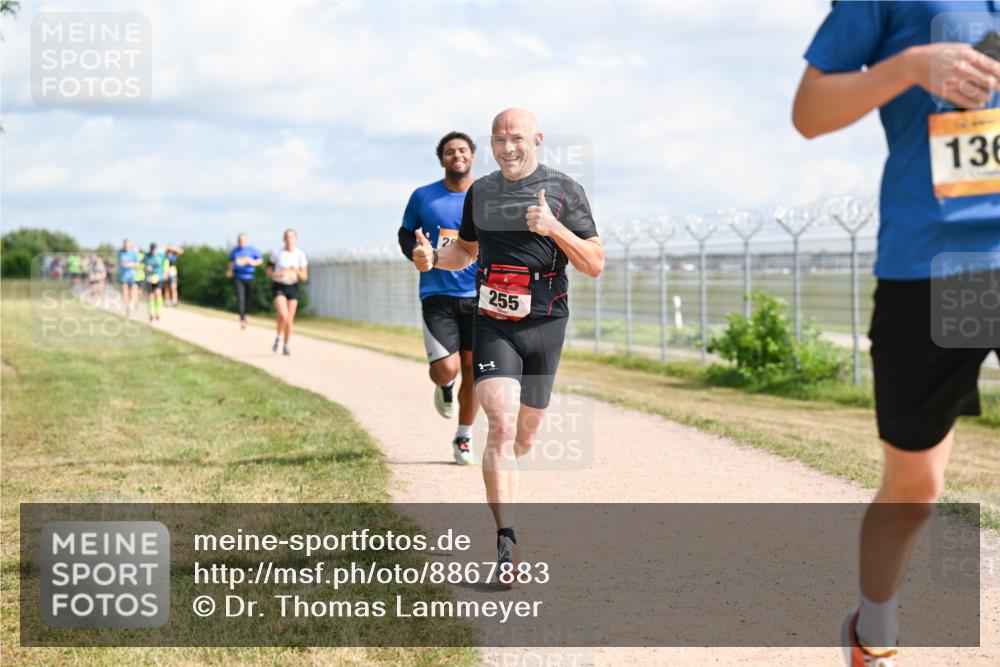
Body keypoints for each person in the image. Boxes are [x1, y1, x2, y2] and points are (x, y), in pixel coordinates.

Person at [794, 4, 1000, 665]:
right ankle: (872, 629)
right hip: (934, 265)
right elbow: (810, 112)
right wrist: (912, 66)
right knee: (915, 487)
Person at [412, 108, 604, 587]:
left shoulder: (564, 191)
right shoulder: (482, 191)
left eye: (516, 138)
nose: (507, 147)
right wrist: (434, 257)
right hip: (493, 319)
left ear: (536, 139)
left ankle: (510, 478)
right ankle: (506, 539)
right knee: (499, 422)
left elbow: (595, 263)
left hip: (546, 321)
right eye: (498, 139)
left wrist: (554, 229)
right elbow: (466, 251)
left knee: (524, 435)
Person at [398, 131, 480, 465]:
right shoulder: (424, 197)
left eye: (462, 150)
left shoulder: (485, 196)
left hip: (479, 294)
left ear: (472, 155)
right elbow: (405, 234)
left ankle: (463, 437)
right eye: (450, 151)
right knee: (447, 369)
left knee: (474, 368)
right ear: (442, 158)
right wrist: (416, 251)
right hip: (437, 293)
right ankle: (445, 387)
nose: (456, 155)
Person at [267, 229, 308, 355]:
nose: (289, 239)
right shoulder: (277, 253)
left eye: (291, 237)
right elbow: (268, 271)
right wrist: (278, 274)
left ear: (296, 238)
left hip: (293, 286)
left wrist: (296, 270)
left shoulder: (300, 254)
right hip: (279, 285)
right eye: (287, 237)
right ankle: (278, 337)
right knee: (283, 315)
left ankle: (286, 345)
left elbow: (304, 276)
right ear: (283, 239)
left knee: (289, 319)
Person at [227, 233, 263, 330]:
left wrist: (252, 262)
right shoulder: (235, 250)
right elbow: (231, 262)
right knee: (240, 298)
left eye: (243, 240)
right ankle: (242, 319)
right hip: (238, 277)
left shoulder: (252, 250)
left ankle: (245, 314)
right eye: (239, 240)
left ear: (246, 241)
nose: (241, 242)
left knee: (248, 299)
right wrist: (230, 271)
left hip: (249, 277)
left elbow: (260, 260)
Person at [142, 243, 166, 322]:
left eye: (154, 249)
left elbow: (166, 263)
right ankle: (151, 314)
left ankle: (158, 313)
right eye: (152, 249)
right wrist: (146, 268)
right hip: (149, 278)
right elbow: (142, 266)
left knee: (158, 293)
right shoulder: (147, 256)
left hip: (159, 277)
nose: (153, 251)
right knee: (151, 296)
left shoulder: (161, 255)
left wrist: (165, 272)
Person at [117, 239, 140, 316]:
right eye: (125, 244)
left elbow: (137, 264)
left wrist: (130, 264)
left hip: (132, 275)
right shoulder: (120, 252)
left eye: (128, 244)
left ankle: (131, 303)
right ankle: (127, 308)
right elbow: (119, 262)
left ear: (130, 245)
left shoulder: (133, 253)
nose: (126, 245)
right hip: (123, 275)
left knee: (131, 292)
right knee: (124, 292)